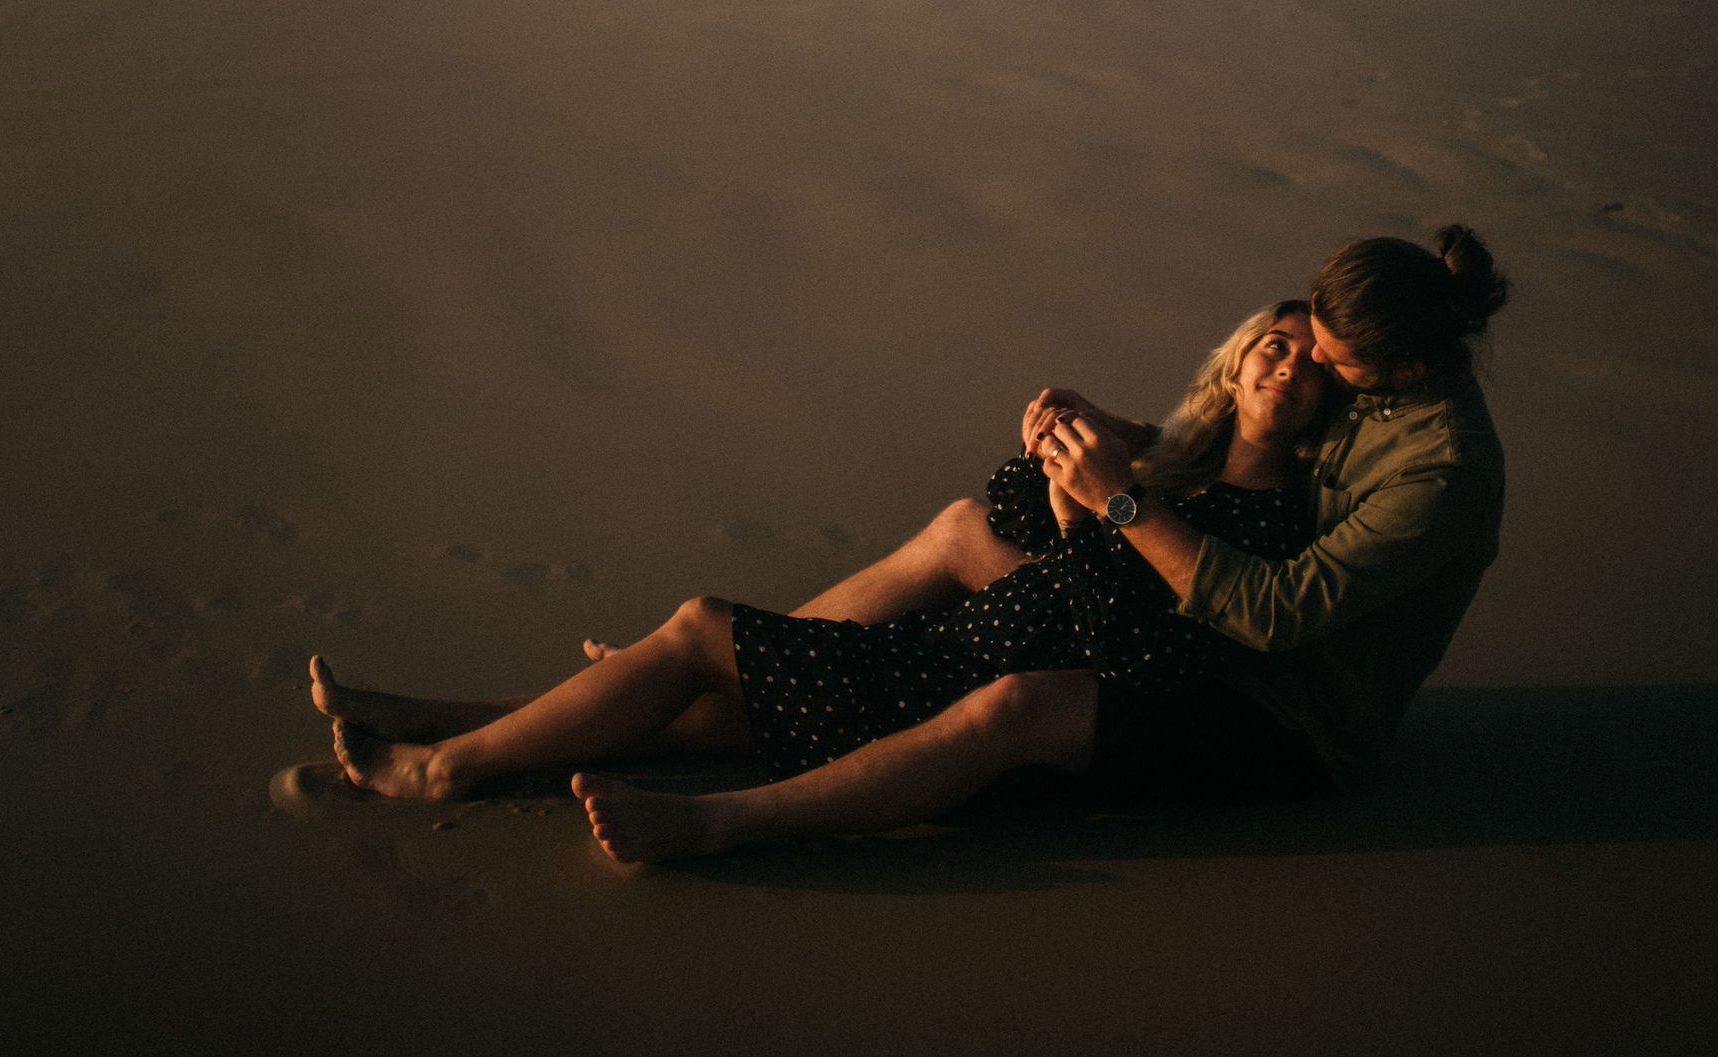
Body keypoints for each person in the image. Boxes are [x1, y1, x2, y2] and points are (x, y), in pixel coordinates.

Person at [309, 227, 1509, 865]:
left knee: (1014, 697)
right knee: (955, 534)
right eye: (1291, 339)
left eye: (1332, 364)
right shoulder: (1364, 361)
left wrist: (1125, 499)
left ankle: (717, 813)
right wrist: (1114, 442)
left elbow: (1279, 607)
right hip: (1186, 606)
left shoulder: (1437, 464)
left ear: (1394, 369)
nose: (1305, 363)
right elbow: (1228, 432)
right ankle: (491, 718)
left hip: (1276, 704)